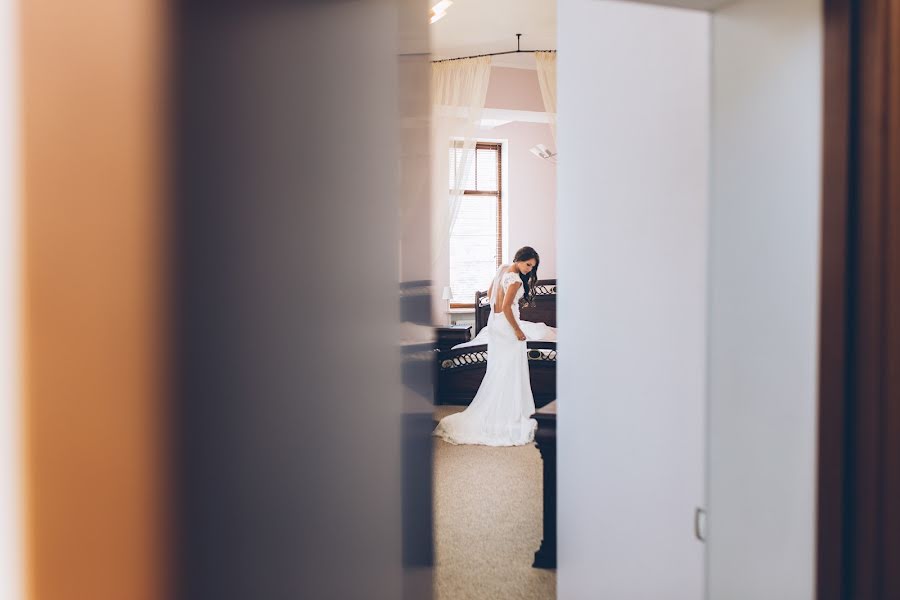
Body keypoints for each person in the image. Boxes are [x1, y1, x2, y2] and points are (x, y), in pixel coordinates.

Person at [433, 246, 545, 446]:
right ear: (520, 259)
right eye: (528, 264)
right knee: (510, 369)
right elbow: (506, 308)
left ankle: (500, 408)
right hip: (508, 326)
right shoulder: (517, 280)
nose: (529, 269)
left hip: (496, 326)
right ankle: (508, 412)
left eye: (532, 267)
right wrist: (518, 331)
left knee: (501, 368)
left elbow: (492, 297)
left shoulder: (503, 270)